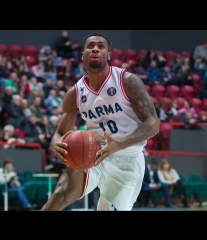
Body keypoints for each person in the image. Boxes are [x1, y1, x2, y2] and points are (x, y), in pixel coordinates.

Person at [41, 32, 159, 211]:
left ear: (109, 55)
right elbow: (59, 132)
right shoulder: (75, 93)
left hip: (127, 159)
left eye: (101, 46)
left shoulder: (127, 81)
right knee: (58, 197)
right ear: (83, 54)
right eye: (90, 46)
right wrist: (56, 143)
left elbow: (153, 123)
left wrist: (120, 144)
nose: (95, 48)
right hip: (92, 152)